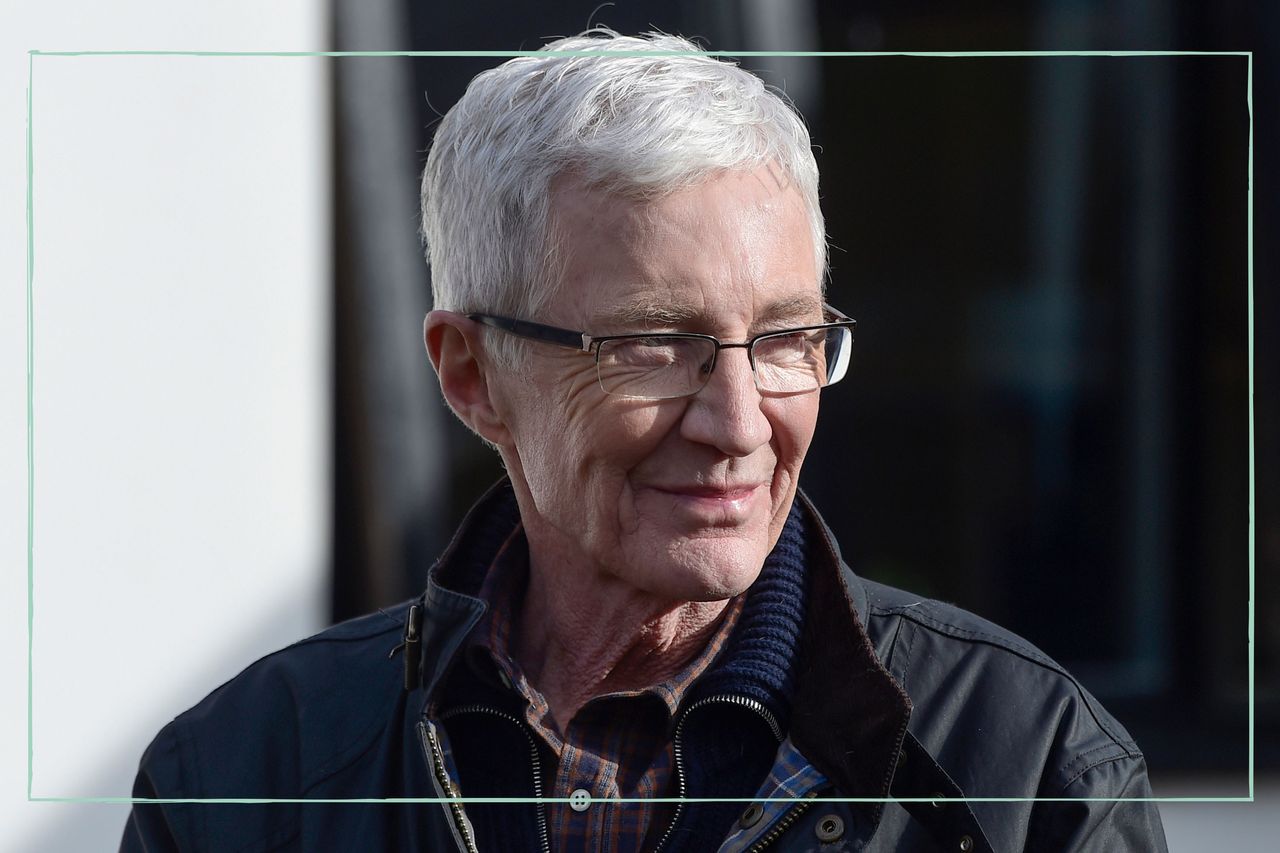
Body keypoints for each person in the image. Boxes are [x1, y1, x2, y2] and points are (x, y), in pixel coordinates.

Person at [121, 30, 1167, 852]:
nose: (738, 422)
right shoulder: (244, 775)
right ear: (471, 374)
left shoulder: (1031, 771)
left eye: (784, 339)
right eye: (653, 346)